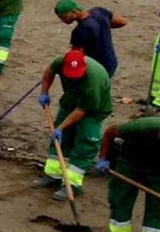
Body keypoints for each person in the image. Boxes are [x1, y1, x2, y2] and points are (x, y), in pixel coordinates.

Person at [35, 48, 112, 200]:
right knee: (60, 140)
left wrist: (60, 128)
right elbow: (49, 72)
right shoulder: (60, 62)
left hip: (92, 111)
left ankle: (72, 184)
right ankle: (53, 175)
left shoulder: (93, 80)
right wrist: (44, 92)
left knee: (85, 144)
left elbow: (81, 111)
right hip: (70, 102)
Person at [54, 0, 127, 76]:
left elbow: (76, 58)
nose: (62, 21)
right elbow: (122, 22)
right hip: (111, 63)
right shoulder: (100, 12)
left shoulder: (80, 31)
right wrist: (103, 27)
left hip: (95, 69)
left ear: (74, 12)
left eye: (64, 17)